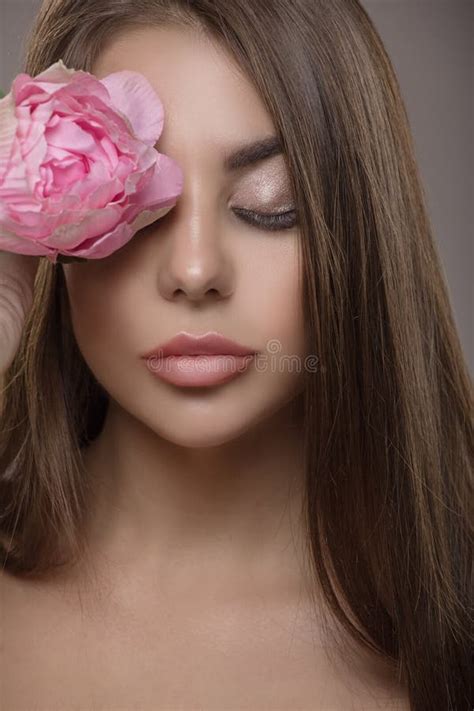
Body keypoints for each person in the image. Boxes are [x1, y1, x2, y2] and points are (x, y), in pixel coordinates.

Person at [0, 1, 472, 709]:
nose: (194, 270)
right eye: (140, 208)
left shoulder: (452, 618)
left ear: (361, 226)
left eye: (268, 203)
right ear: (47, 235)